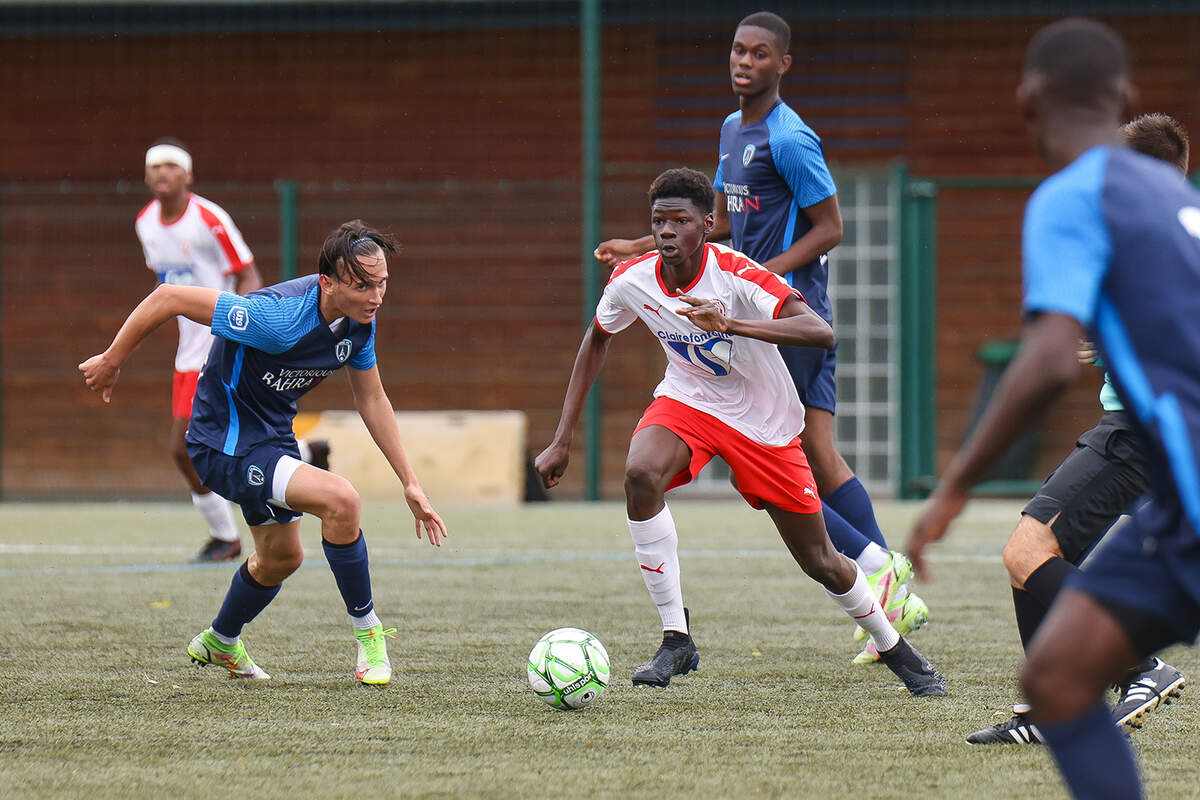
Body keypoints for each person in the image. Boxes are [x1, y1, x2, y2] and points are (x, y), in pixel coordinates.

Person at [907, 18, 1200, 798]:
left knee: (1057, 659)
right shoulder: (1175, 202)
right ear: (1125, 96)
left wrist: (952, 489)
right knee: (1059, 677)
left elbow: (1041, 361)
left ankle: (1142, 670)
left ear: (1026, 99)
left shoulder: (1074, 195)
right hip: (1175, 501)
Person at [593, 12, 925, 664]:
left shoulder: (791, 139)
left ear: (783, 64)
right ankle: (885, 577)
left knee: (786, 454)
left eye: (759, 53)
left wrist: (754, 280)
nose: (744, 62)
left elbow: (830, 228)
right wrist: (640, 245)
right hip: (748, 312)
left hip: (784, 318)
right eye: (738, 51)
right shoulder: (730, 128)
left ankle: (879, 567)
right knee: (817, 451)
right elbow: (713, 222)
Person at [537, 167, 945, 697]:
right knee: (640, 474)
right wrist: (562, 436)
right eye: (658, 221)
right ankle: (675, 638)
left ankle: (899, 653)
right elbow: (597, 338)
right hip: (690, 401)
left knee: (820, 560)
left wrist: (729, 323)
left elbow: (819, 331)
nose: (666, 232)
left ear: (707, 225)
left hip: (764, 421)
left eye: (680, 221)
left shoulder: (738, 275)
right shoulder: (632, 279)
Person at [82, 220, 447, 685]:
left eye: (382, 284)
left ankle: (220, 640)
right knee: (342, 500)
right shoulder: (275, 319)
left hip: (268, 440)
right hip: (222, 445)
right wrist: (113, 359)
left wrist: (410, 482)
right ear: (328, 283)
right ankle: (369, 633)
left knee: (280, 559)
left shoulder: (358, 323)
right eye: (362, 286)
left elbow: (372, 399)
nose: (375, 297)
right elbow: (168, 297)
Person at [966, 113, 1189, 746]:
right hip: (1146, 430)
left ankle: (1141, 665)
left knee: (1026, 552)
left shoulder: (1146, 234)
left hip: (1135, 431)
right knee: (1031, 560)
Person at [137, 138, 330, 563]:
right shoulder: (146, 223)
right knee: (199, 445)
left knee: (184, 445)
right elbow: (166, 284)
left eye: (172, 166)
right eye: (155, 167)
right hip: (187, 349)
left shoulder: (208, 218)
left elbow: (248, 275)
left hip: (219, 344)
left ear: (188, 175)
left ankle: (225, 537)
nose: (163, 174)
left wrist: (243, 329)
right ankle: (305, 455)